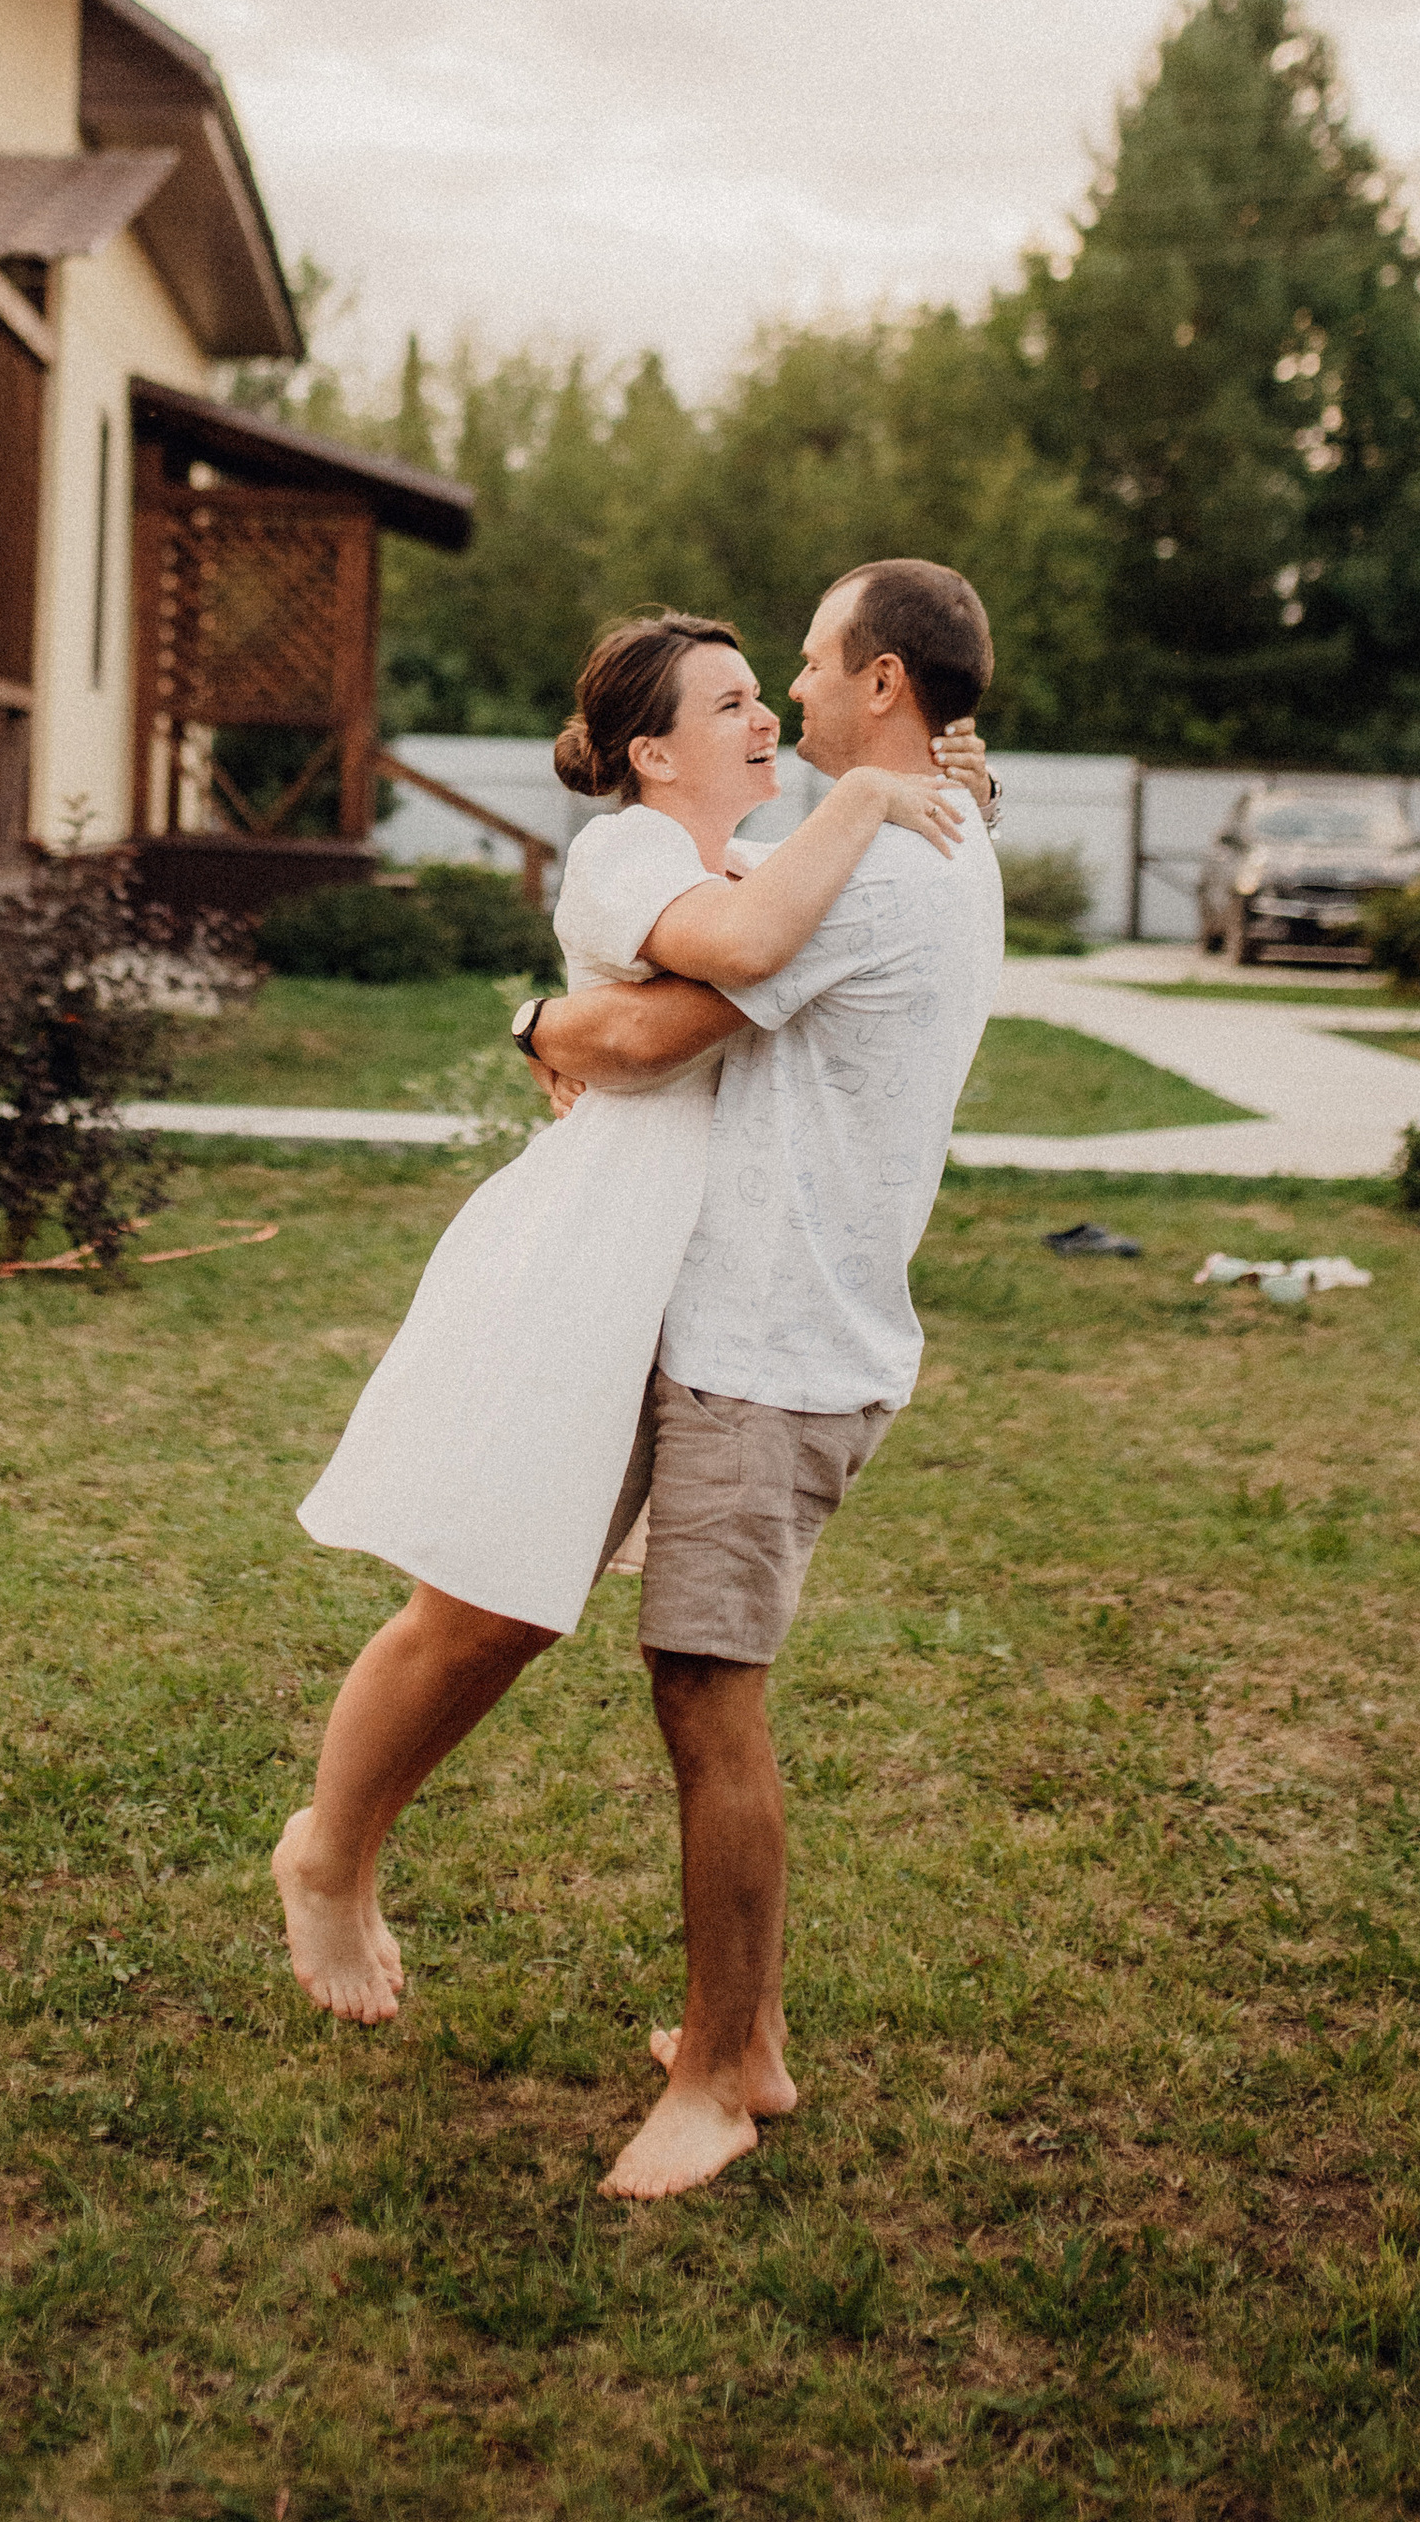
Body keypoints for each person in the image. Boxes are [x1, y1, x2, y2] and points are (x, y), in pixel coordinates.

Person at [274, 606, 990, 2029]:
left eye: (767, 687)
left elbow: (793, 911)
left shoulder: (752, 855)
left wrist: (943, 787)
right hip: (589, 1262)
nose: (769, 713)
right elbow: (683, 1007)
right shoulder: (631, 853)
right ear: (653, 751)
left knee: (514, 1610)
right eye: (732, 703)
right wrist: (548, 1017)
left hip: (692, 1290)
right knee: (479, 1603)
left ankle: (341, 1850)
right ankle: (329, 1853)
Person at [529, 558, 1005, 2200]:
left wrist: (539, 1020)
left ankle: (723, 2075)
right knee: (699, 1684)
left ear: (883, 681)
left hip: (774, 1343)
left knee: (704, 1693)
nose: (790, 696)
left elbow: (652, 1037)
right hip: (795, 1324)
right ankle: (756, 2034)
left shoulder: (878, 865)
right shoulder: (931, 830)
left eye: (807, 666)